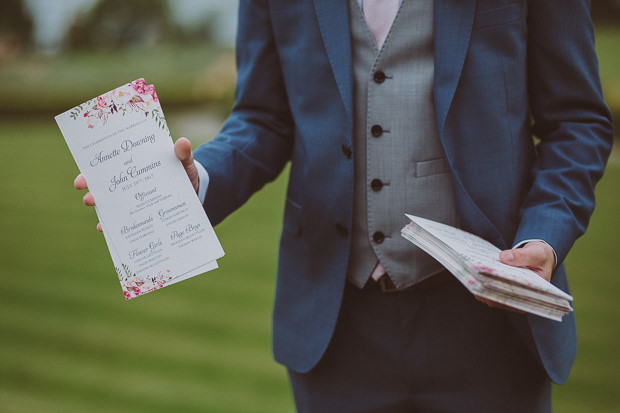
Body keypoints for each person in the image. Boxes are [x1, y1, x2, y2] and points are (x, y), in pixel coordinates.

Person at [76, 0, 613, 411]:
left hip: (492, 332)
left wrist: (544, 235)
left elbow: (576, 122)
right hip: (336, 334)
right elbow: (263, 118)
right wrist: (193, 184)